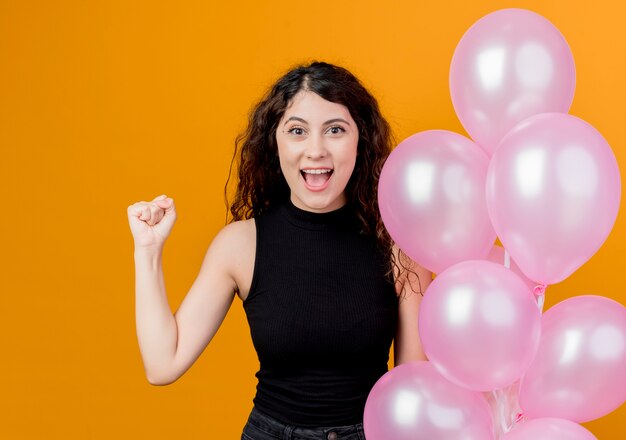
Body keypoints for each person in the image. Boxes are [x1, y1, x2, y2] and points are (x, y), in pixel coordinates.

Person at [126, 61, 431, 440]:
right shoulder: (240, 245)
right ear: (275, 141)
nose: (315, 150)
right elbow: (162, 364)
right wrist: (148, 252)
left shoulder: (400, 249)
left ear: (360, 139)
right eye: (297, 131)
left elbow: (413, 395)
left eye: (335, 130)